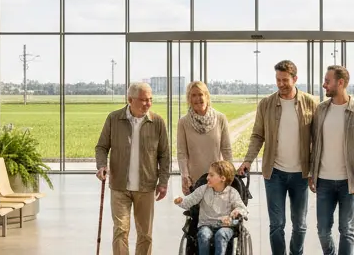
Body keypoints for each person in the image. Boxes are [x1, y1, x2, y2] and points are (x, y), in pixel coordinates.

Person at [238, 60, 318, 255]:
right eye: (277, 80)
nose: (280, 84)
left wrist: (316, 171)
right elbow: (258, 135)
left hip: (301, 173)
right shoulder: (266, 104)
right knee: (277, 224)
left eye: (285, 80)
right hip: (274, 174)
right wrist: (248, 160)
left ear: (295, 79)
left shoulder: (311, 103)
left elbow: (318, 139)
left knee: (300, 224)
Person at [95, 82, 171, 255]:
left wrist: (163, 181)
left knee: (145, 234)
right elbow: (101, 147)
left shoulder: (157, 122)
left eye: (150, 99)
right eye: (143, 100)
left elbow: (164, 155)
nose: (148, 104)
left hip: (146, 186)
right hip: (119, 186)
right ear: (130, 99)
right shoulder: (114, 119)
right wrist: (101, 166)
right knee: (120, 230)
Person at [309, 65, 354, 255]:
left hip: (350, 182)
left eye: (327, 81)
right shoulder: (321, 110)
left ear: (341, 83)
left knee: (346, 230)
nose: (324, 85)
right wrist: (312, 173)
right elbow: (314, 144)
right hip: (324, 181)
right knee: (322, 230)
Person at [174, 160, 248, 255]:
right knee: (204, 235)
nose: (207, 177)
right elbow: (189, 201)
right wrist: (180, 201)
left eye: (211, 175)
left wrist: (235, 213)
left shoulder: (232, 193)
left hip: (225, 226)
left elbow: (242, 208)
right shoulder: (203, 189)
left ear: (222, 178)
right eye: (208, 174)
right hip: (206, 224)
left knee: (221, 235)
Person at [177, 81, 233, 194]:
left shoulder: (220, 118)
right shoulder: (183, 122)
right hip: (194, 182)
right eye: (193, 95)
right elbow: (182, 153)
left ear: (207, 96)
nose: (198, 98)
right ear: (189, 99)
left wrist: (231, 175)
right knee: (197, 212)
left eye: (200, 94)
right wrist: (185, 176)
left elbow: (226, 150)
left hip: (218, 180)